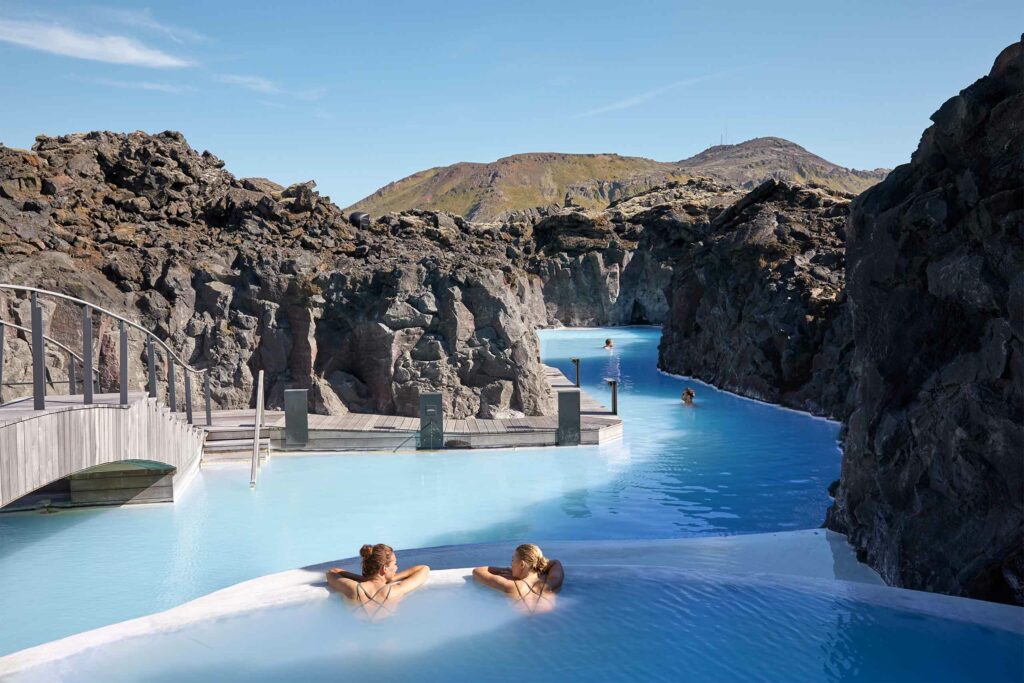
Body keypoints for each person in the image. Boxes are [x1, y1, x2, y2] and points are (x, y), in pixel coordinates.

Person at [325, 544, 430, 619]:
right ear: (384, 569)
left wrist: (363, 579)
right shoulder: (393, 591)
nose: (396, 567)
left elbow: (331, 572)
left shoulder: (353, 588)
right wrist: (393, 578)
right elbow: (424, 569)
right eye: (394, 564)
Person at [472, 543, 564, 614]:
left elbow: (478, 571)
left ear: (521, 564)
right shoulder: (551, 583)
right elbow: (555, 563)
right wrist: (536, 567)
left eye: (512, 560)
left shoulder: (511, 586)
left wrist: (505, 570)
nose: (511, 565)